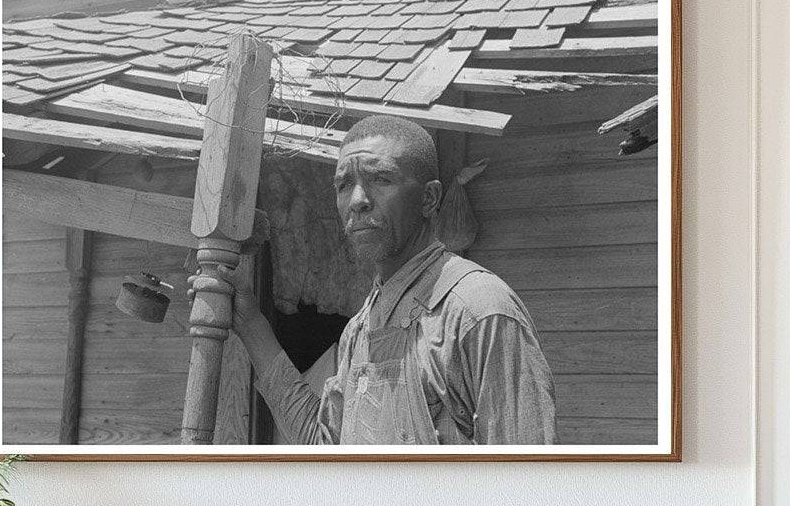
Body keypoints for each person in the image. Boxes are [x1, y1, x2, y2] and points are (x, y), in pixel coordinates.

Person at [212, 114, 556, 445]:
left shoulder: (477, 311)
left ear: (429, 198)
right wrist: (251, 325)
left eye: (380, 179)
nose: (358, 201)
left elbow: (526, 484)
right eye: (344, 185)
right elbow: (325, 446)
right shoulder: (361, 327)